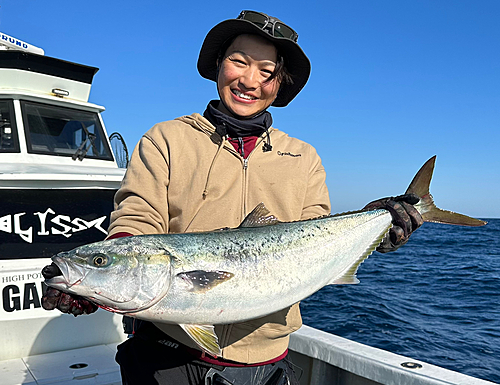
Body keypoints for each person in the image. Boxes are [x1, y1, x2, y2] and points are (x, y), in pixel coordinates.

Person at [42, 10, 423, 385]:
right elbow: (137, 219)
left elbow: (317, 241)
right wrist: (101, 281)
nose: (249, 80)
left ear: (279, 84)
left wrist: (374, 227)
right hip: (166, 355)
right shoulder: (167, 140)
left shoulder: (304, 158)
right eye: (238, 62)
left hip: (266, 361)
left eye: (266, 72)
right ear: (219, 65)